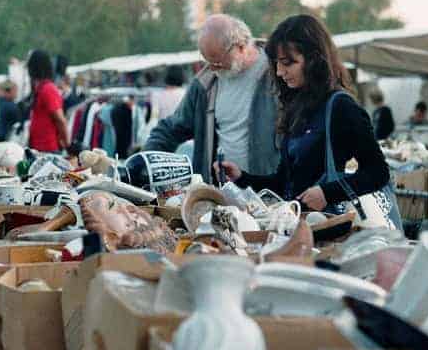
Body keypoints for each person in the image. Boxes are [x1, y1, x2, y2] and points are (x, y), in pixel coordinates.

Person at [217, 14, 389, 213]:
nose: (280, 72)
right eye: (276, 64)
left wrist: (327, 193)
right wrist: (241, 177)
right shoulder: (297, 107)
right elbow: (283, 183)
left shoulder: (341, 107)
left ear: (314, 59)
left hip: (331, 228)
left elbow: (378, 172)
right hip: (298, 226)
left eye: (288, 63)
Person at [145, 15, 279, 183]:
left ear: (241, 47)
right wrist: (146, 160)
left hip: (270, 196)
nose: (212, 67)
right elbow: (173, 128)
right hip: (220, 194)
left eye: (218, 61)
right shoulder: (205, 83)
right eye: (207, 61)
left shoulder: (279, 71)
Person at [27, 50, 69, 153]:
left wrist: (67, 144)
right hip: (41, 147)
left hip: (48, 148)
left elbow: (60, 119)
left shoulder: (48, 89)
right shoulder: (41, 88)